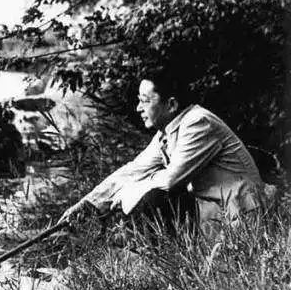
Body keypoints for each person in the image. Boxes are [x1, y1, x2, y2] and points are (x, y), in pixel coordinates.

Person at [61, 74, 269, 243]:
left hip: (241, 214)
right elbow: (132, 170)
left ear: (171, 104)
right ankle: (146, 254)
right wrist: (88, 204)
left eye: (145, 101)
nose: (138, 108)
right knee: (150, 199)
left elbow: (171, 180)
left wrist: (125, 194)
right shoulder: (167, 133)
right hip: (215, 210)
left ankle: (157, 259)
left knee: (154, 199)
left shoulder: (198, 122)